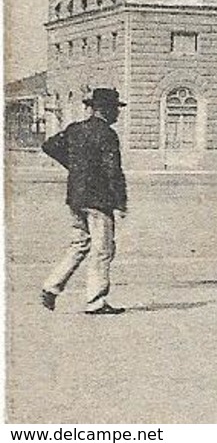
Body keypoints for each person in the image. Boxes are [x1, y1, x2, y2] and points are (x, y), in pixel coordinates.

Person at [40, 87, 128, 314]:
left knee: (80, 244)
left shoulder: (75, 129)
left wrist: (76, 168)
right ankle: (96, 301)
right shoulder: (107, 134)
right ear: (106, 110)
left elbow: (49, 146)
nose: (118, 114)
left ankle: (51, 286)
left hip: (76, 196)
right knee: (102, 249)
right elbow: (113, 170)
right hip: (99, 199)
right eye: (116, 109)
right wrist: (120, 201)